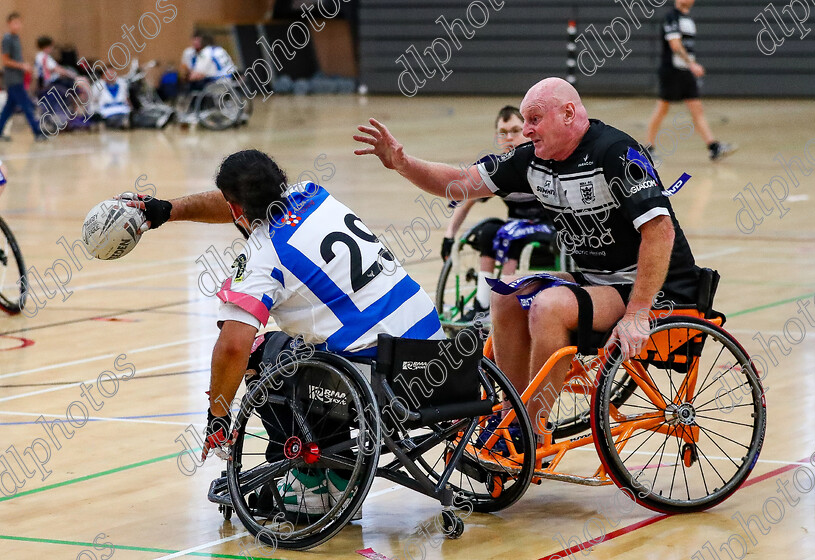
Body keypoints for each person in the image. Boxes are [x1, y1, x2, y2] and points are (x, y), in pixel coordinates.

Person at [354, 77, 702, 442]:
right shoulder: (531, 159)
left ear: (568, 114)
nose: (527, 130)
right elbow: (460, 181)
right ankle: (509, 413)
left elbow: (661, 230)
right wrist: (403, 162)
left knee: (548, 306)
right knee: (506, 294)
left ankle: (529, 428)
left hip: (655, 287)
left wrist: (637, 312)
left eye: (534, 119)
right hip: (596, 279)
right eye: (525, 121)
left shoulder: (616, 152)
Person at [125, 149, 444, 513]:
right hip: (432, 359)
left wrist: (218, 415)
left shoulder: (262, 254)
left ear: (235, 209)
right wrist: (169, 209)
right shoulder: (311, 193)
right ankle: (335, 476)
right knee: (313, 347)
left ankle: (312, 483)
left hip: (377, 380)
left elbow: (233, 347)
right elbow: (241, 203)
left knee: (262, 353)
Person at [441, 105, 555, 320]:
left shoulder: (544, 162)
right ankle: (483, 305)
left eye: (515, 131)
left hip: (548, 231)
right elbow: (466, 202)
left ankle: (504, 305)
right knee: (489, 230)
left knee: (511, 237)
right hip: (514, 227)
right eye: (503, 133)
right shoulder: (499, 169)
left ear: (528, 130)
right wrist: (449, 236)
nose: (509, 138)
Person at [645, 0, 734, 162]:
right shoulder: (671, 17)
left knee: (697, 109)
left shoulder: (688, 19)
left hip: (686, 72)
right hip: (672, 71)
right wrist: (692, 64)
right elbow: (675, 45)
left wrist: (690, 66)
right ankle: (647, 149)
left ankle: (713, 147)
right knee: (662, 109)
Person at [0, 13, 45, 142]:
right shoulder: (7, 39)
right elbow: (6, 60)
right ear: (9, 24)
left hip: (18, 78)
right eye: (14, 23)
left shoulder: (16, 38)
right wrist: (22, 66)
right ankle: (38, 132)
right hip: (12, 79)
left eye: (19, 23)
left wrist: (26, 67)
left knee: (9, 108)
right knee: (26, 105)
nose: (17, 25)